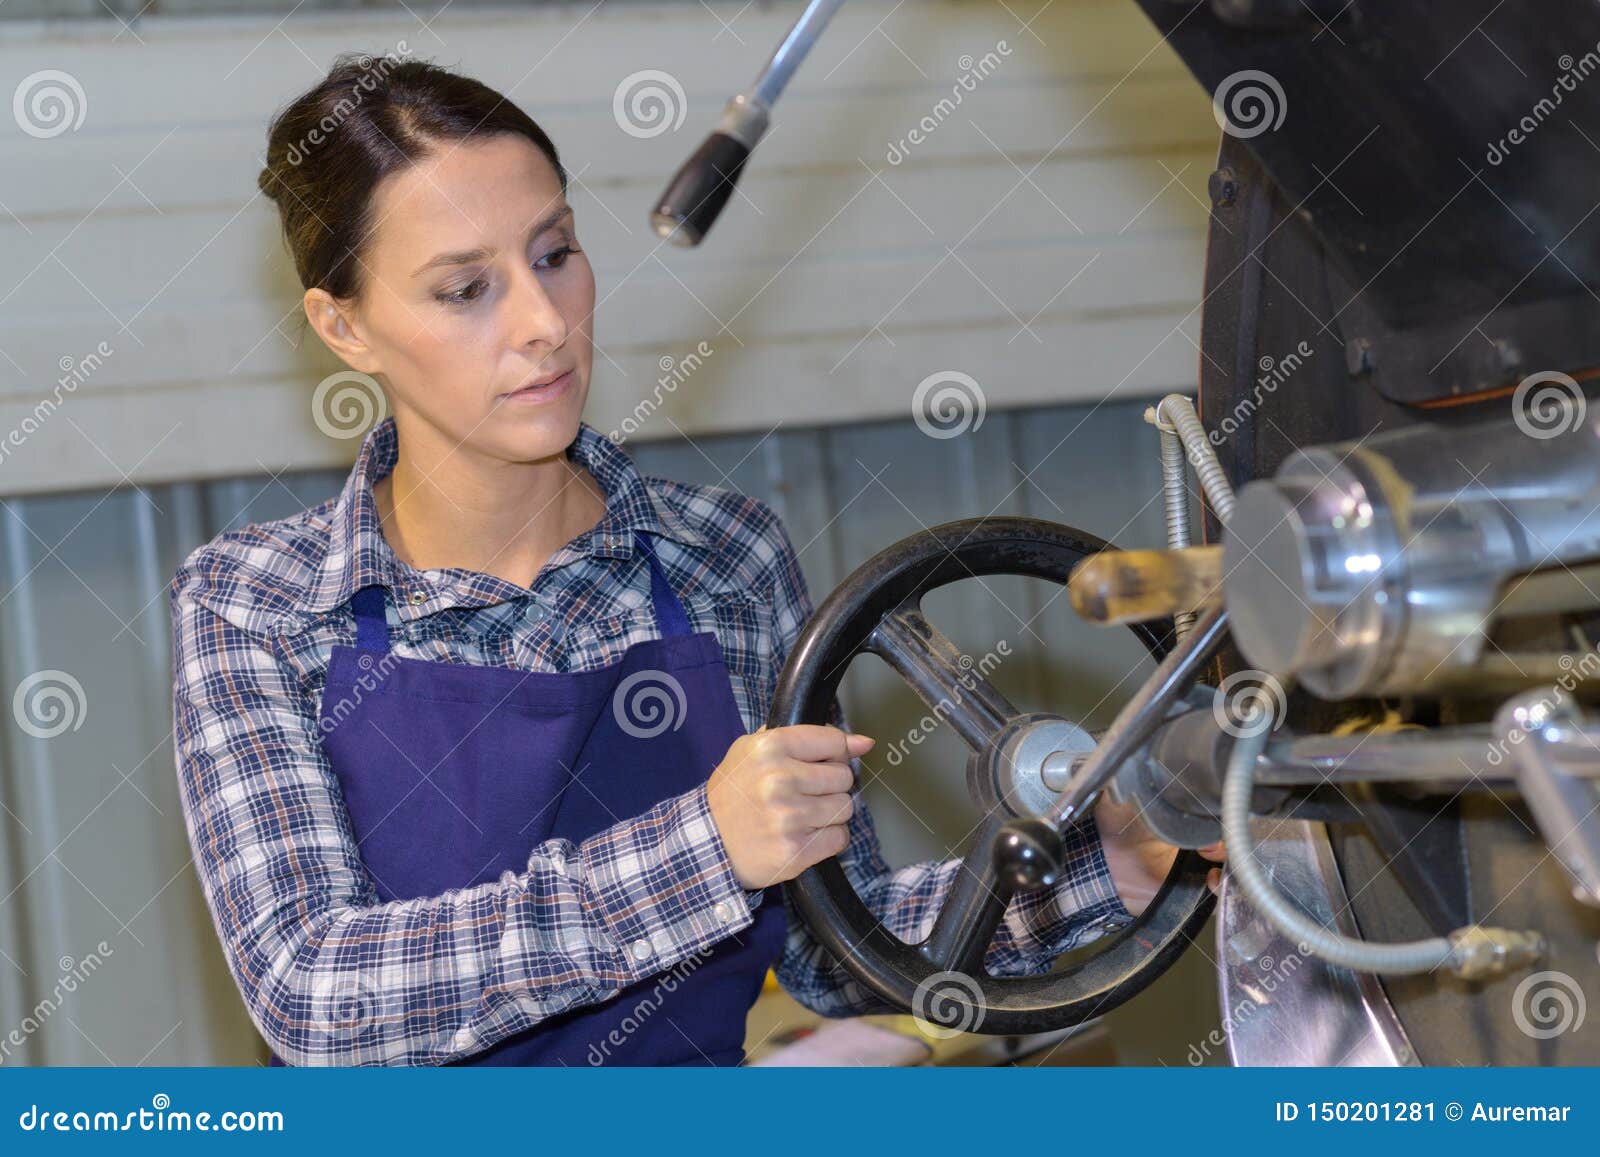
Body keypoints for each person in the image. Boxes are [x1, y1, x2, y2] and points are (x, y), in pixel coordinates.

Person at [168, 53, 1225, 1067]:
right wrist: (702, 851)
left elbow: (832, 947)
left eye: (554, 253)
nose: (545, 324)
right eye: (463, 290)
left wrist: (1112, 869)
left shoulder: (722, 560)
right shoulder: (256, 603)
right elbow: (317, 997)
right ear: (342, 325)